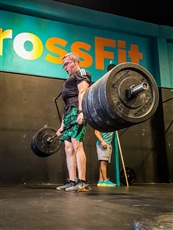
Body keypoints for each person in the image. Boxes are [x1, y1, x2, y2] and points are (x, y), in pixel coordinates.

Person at [56, 52, 91, 192]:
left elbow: (83, 92)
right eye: (63, 65)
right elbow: (66, 105)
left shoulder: (81, 73)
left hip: (78, 111)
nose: (64, 67)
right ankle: (71, 181)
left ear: (75, 62)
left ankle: (82, 182)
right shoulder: (69, 79)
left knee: (77, 145)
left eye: (66, 64)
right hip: (69, 113)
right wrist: (62, 126)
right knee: (68, 148)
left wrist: (82, 112)